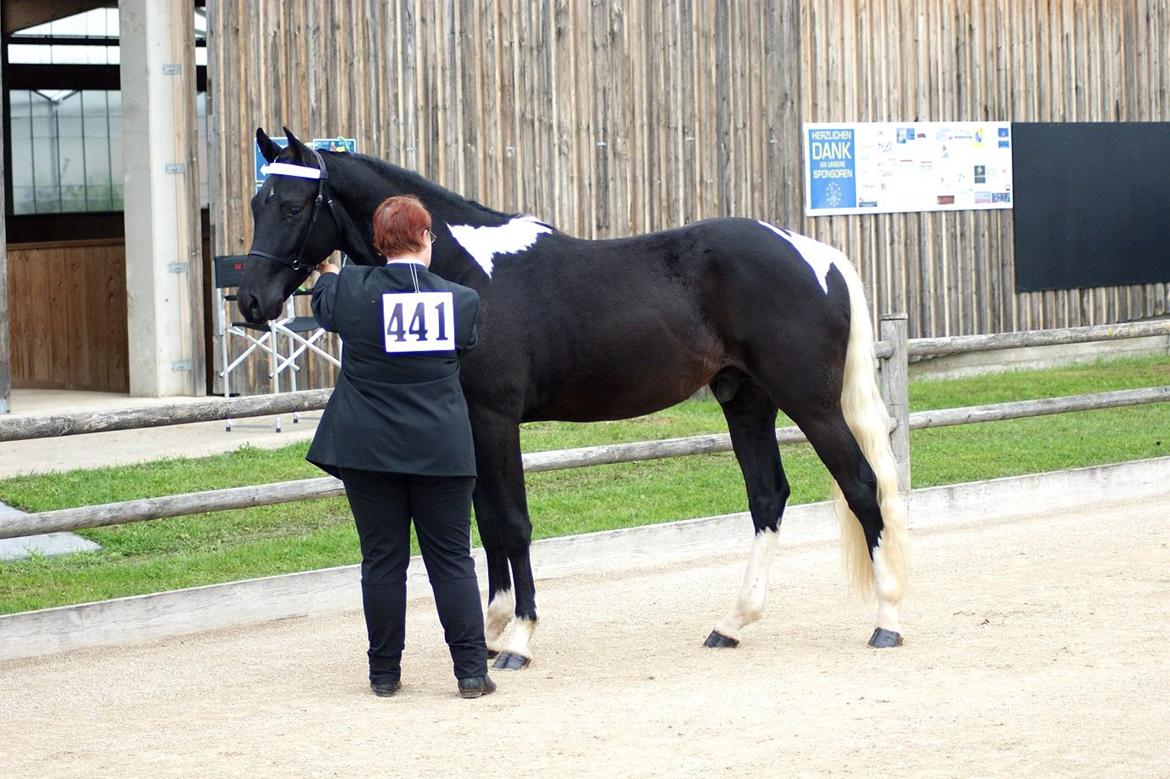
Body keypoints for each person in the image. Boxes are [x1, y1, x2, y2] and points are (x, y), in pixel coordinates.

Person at [306, 194, 495, 699]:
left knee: (382, 561)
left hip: (368, 450)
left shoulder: (350, 289)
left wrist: (326, 272)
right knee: (452, 560)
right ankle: (471, 672)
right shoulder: (461, 299)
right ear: (426, 238)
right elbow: (465, 345)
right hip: (442, 449)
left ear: (377, 242)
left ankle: (384, 675)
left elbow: (323, 306)